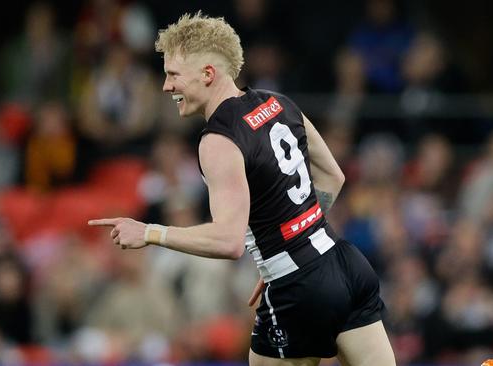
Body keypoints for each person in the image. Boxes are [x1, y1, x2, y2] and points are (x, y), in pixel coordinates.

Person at [89, 12, 396, 366]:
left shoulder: (217, 139)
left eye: (173, 75)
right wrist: (294, 244)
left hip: (298, 287)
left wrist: (150, 232)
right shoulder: (278, 102)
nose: (166, 87)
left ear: (207, 74)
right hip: (345, 264)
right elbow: (332, 176)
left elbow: (228, 241)